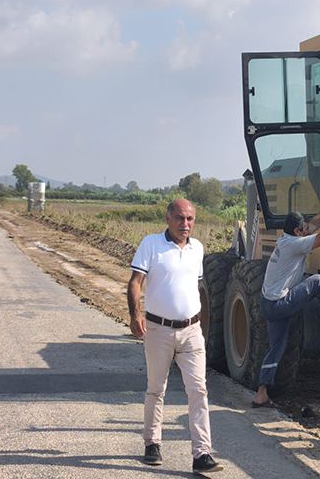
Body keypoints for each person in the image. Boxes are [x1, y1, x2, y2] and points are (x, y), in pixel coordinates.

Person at [128, 198, 222, 474]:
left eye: (190, 219)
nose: (185, 224)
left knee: (198, 391)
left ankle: (202, 453)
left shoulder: (198, 249)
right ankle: (152, 443)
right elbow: (135, 281)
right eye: (180, 218)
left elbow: (196, 288)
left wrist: (202, 326)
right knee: (156, 388)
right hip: (158, 330)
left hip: (191, 332)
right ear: (168, 219)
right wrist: (135, 315)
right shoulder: (151, 245)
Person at [252, 195, 320, 407]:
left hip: (269, 303)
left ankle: (261, 393)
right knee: (317, 282)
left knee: (276, 347)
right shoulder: (294, 245)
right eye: (304, 228)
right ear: (297, 232)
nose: (307, 229)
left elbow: (316, 223)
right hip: (278, 303)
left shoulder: (287, 239)